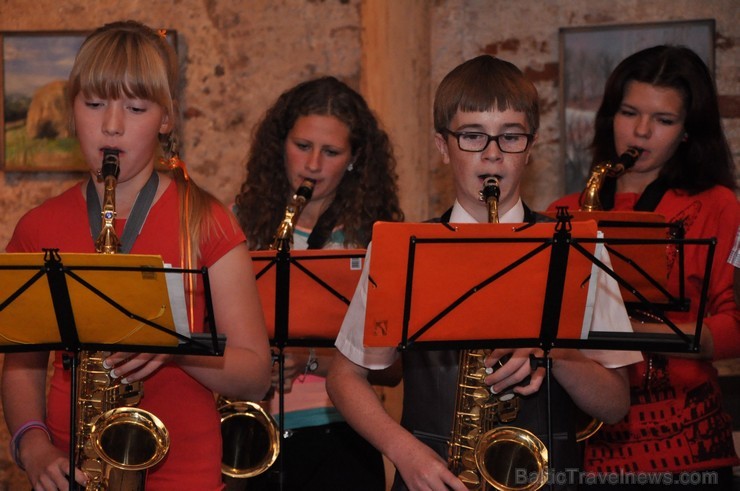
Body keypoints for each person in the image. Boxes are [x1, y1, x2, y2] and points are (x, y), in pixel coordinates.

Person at [326, 54, 642, 491]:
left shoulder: (579, 248)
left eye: (510, 137)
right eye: (472, 136)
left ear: (530, 148)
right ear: (442, 146)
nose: (492, 155)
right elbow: (345, 377)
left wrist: (552, 351)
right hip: (434, 475)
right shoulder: (401, 250)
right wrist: (403, 451)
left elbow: (614, 404)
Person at [1, 21, 272, 491]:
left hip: (186, 470)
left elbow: (254, 375)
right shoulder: (38, 226)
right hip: (75, 468)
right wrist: (34, 447)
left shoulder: (207, 222)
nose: (112, 124)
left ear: (166, 119)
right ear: (71, 111)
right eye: (94, 104)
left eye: (136, 107)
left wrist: (171, 345)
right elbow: (23, 366)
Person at [548, 45, 740, 489]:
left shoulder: (719, 206)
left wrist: (628, 333)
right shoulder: (562, 211)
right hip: (585, 446)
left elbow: (734, 325)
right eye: (629, 112)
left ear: (688, 132)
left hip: (688, 444)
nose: (640, 132)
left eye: (664, 120)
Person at [232, 76, 403, 491]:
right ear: (281, 144)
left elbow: (392, 369)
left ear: (354, 158)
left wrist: (308, 358)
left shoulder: (374, 239)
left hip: (339, 436)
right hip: (252, 434)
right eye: (302, 146)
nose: (312, 165)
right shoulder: (239, 225)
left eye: (331, 152)